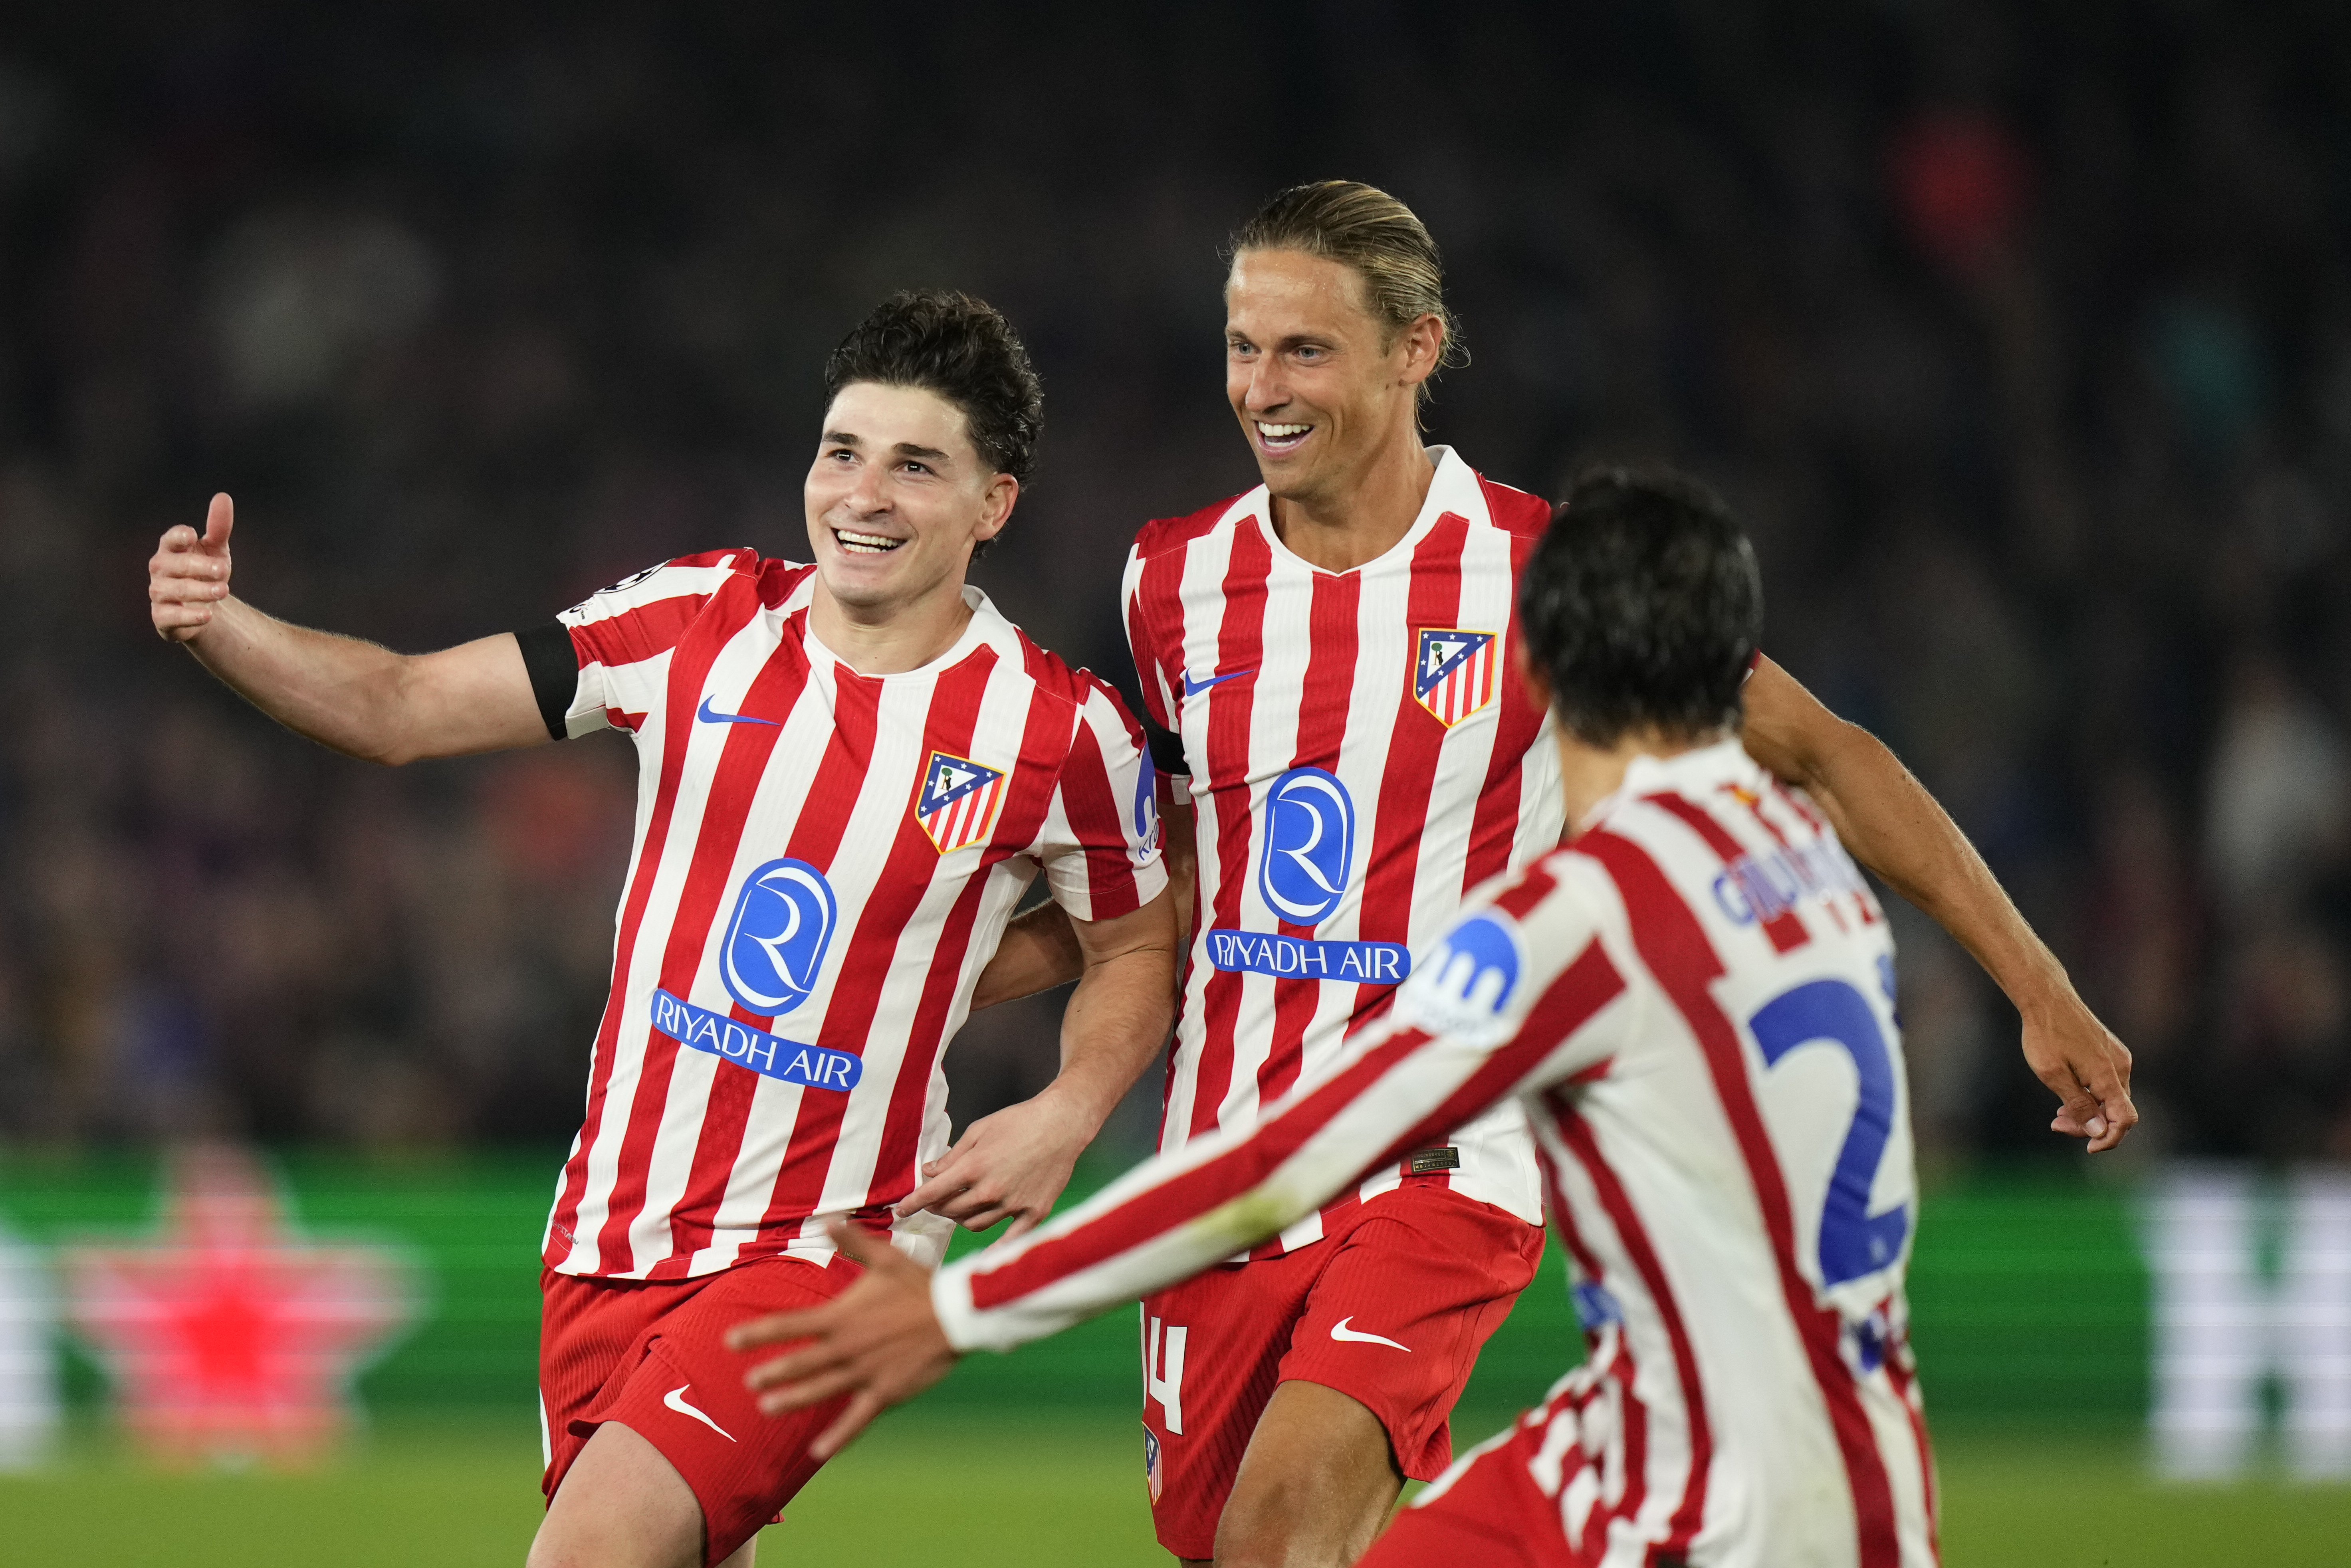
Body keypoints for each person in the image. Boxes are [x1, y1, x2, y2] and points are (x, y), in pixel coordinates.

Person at [965, 181, 2133, 1568]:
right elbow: (1176, 869)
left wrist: (2041, 986)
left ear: (1416, 349)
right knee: (1225, 1539)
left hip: (1445, 1163)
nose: (1259, 388)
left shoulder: (1542, 569)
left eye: (1304, 350)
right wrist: (927, 989)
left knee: (1280, 1530)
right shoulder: (1172, 583)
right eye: (1241, 346)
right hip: (1230, 1154)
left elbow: (1825, 755)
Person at [729, 468, 1944, 1565]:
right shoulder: (1798, 868)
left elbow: (1275, 1169)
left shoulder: (1582, 922)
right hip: (1805, 1443)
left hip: (1702, 1499)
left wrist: (963, 1309)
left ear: (1551, 665)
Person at [145, 290, 1176, 1568]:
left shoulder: (1061, 731)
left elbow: (1138, 944)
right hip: (605, 1234)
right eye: (842, 451)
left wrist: (1070, 1110)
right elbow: (403, 706)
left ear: (993, 504)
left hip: (826, 1246)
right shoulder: (700, 619)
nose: (864, 493)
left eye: (917, 465)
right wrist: (221, 623)